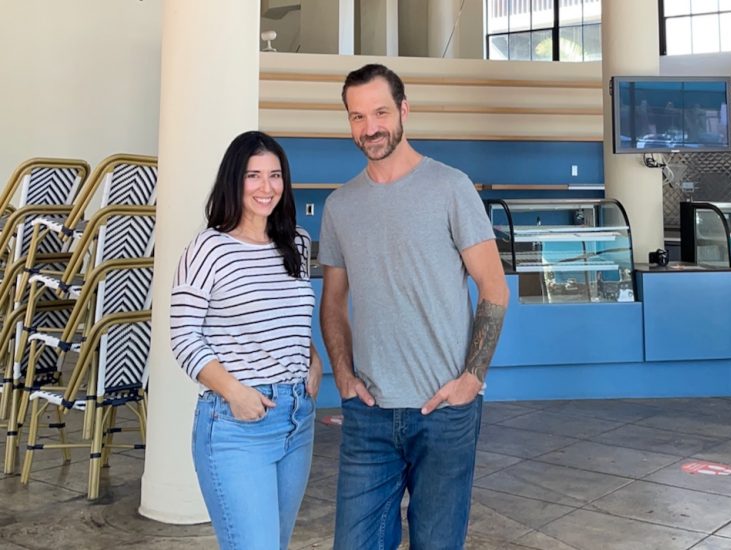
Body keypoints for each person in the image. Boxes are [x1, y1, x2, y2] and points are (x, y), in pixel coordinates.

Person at [319, 64, 510, 550]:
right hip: (369, 414)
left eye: (380, 112)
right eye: (357, 116)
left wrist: (471, 379)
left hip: (444, 411)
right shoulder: (340, 206)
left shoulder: (451, 187)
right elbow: (333, 302)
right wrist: (343, 374)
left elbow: (493, 287)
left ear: (404, 110)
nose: (370, 127)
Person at [170, 131, 321, 550]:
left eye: (275, 175)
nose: (266, 187)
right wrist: (235, 392)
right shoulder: (208, 249)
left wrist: (314, 359)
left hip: (298, 417)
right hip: (237, 424)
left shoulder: (297, 243)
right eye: (253, 175)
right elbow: (183, 336)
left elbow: (290, 319)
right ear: (234, 180)